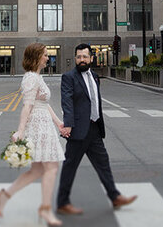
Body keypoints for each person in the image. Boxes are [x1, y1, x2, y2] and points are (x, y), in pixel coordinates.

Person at [56, 43, 137, 215]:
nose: (81, 60)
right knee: (70, 166)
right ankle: (62, 202)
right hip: (78, 130)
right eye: (78, 57)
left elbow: (95, 101)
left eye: (85, 56)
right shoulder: (68, 77)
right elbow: (67, 102)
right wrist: (68, 124)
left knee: (103, 163)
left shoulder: (94, 75)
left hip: (94, 129)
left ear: (91, 58)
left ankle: (114, 196)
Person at [0, 42, 68, 226]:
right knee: (51, 168)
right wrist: (20, 130)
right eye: (44, 54)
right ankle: (45, 209)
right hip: (37, 126)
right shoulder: (31, 78)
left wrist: (58, 122)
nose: (47, 57)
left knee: (37, 170)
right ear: (35, 57)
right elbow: (27, 105)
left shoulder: (37, 77)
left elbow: (44, 104)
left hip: (44, 124)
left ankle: (5, 195)